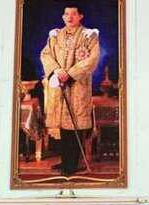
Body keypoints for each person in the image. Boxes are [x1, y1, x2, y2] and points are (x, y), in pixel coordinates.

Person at [40, 5, 100, 176]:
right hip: (59, 84)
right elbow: (46, 54)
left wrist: (71, 74)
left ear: (80, 16)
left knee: (75, 123)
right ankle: (65, 160)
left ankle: (72, 164)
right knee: (62, 125)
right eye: (66, 14)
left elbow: (92, 59)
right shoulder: (55, 35)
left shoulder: (89, 35)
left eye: (73, 14)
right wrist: (56, 70)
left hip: (77, 86)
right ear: (63, 16)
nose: (69, 17)